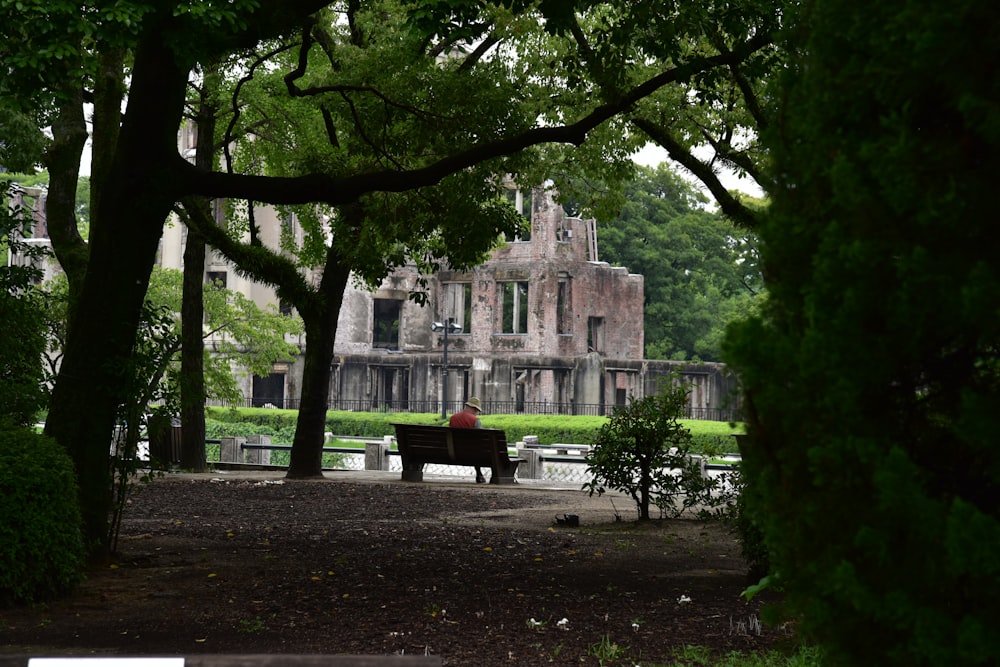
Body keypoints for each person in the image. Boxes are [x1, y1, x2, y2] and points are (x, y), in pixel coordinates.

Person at [449, 397, 486, 483]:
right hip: (473, 453)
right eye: (477, 411)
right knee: (476, 449)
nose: (477, 413)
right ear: (474, 409)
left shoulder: (453, 418)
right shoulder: (475, 420)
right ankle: (479, 474)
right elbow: (482, 438)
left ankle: (479, 474)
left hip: (454, 451)